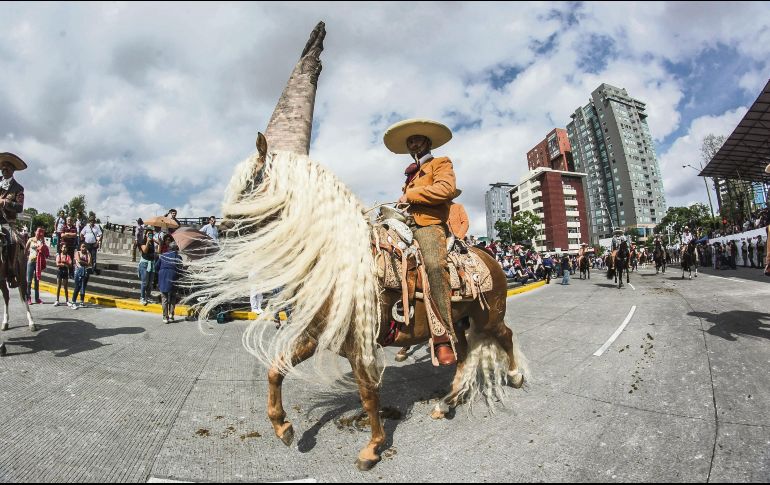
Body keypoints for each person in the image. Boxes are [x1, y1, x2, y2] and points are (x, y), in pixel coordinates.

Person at [385, 118, 457, 366]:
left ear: (426, 141)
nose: (413, 143)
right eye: (409, 141)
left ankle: (443, 335)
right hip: (405, 224)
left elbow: (446, 189)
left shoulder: (441, 162)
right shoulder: (411, 175)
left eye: (417, 139)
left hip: (429, 225)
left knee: (435, 267)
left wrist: (410, 195)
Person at [0, 153, 27, 287]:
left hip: (7, 223)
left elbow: (20, 207)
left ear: (13, 170)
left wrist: (4, 202)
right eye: (3, 166)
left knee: (14, 241)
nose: (4, 168)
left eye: (7, 166)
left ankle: (11, 272)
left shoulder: (18, 188)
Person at [157, 241, 183, 323]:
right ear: (176, 249)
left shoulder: (163, 255)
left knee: (164, 297)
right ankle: (171, 314)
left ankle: (165, 317)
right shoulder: (178, 257)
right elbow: (180, 269)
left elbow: (156, 266)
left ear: (169, 248)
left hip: (163, 276)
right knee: (173, 296)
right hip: (173, 276)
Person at [25, 227, 49, 305]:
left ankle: (37, 298)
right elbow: (25, 250)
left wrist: (42, 240)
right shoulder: (30, 239)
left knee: (37, 281)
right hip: (31, 261)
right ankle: (28, 298)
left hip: (38, 263)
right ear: (35, 232)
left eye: (40, 232)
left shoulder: (42, 241)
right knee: (29, 281)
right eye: (38, 231)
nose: (39, 233)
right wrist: (26, 258)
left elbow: (45, 250)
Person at [137, 226, 157, 306]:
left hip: (151, 263)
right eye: (149, 234)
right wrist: (147, 242)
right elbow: (145, 251)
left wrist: (159, 242)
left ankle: (148, 296)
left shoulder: (153, 242)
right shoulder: (143, 241)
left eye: (151, 234)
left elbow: (158, 251)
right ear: (146, 235)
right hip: (144, 264)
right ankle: (142, 297)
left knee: (150, 283)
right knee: (144, 282)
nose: (150, 236)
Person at [72, 242, 92, 308]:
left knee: (83, 287)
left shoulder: (88, 254)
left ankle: (82, 301)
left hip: (85, 272)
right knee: (77, 286)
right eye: (83, 247)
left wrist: (85, 262)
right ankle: (73, 302)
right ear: (80, 247)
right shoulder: (77, 253)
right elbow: (79, 261)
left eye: (85, 247)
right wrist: (86, 263)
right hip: (78, 272)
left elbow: (89, 262)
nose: (84, 248)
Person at [54, 242, 74, 307]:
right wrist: (64, 264)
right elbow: (57, 264)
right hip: (59, 271)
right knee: (58, 286)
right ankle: (57, 300)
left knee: (65, 287)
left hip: (65, 272)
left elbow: (70, 264)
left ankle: (67, 300)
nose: (65, 249)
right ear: (61, 248)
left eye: (66, 248)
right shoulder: (59, 255)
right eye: (64, 247)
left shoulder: (68, 256)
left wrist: (63, 263)